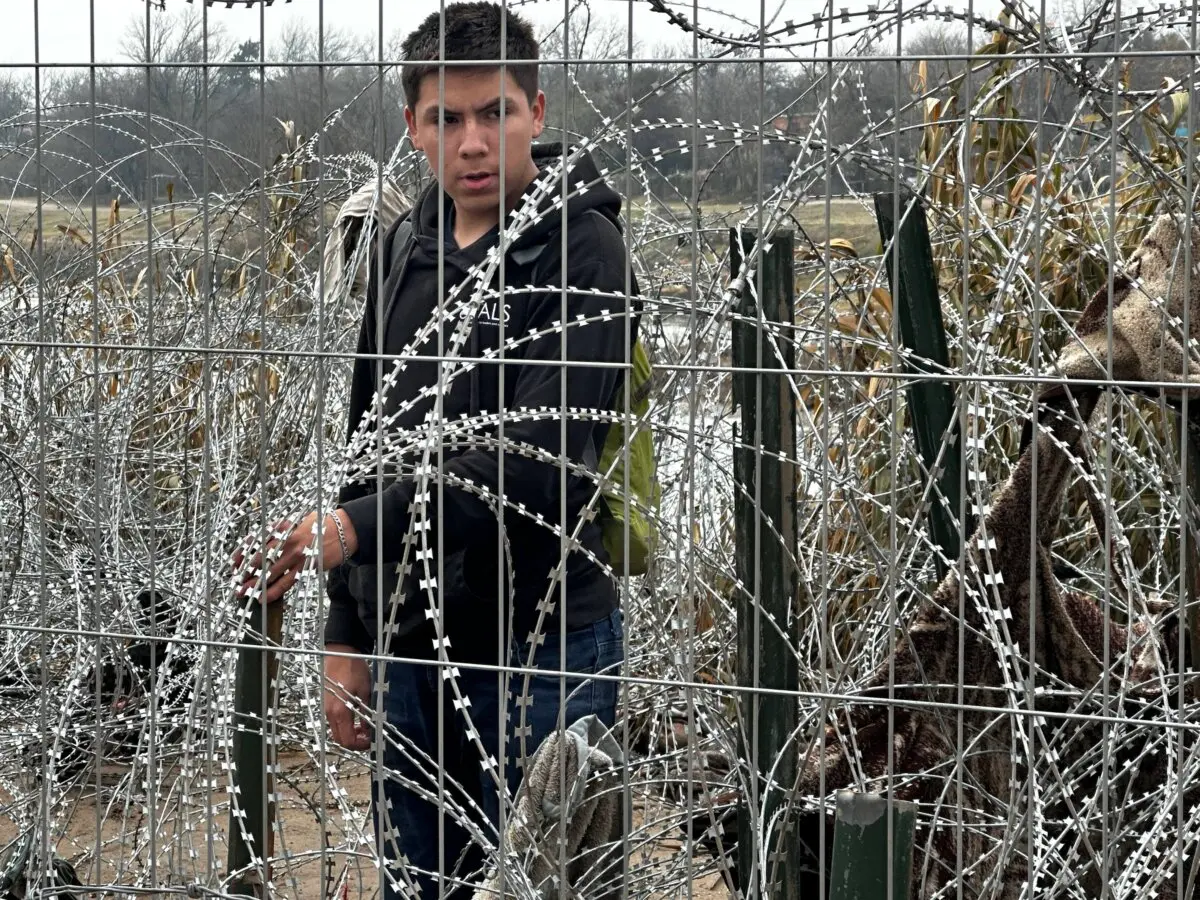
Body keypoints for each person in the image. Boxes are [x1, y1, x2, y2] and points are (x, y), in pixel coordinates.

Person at [233, 3, 640, 897]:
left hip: (544, 642)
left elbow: (536, 460)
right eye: (446, 119)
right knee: (421, 883)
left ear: (535, 108)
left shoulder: (582, 251)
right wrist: (349, 630)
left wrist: (348, 530)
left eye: (495, 112)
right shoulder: (402, 253)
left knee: (547, 881)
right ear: (414, 129)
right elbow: (365, 442)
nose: (473, 143)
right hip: (415, 643)